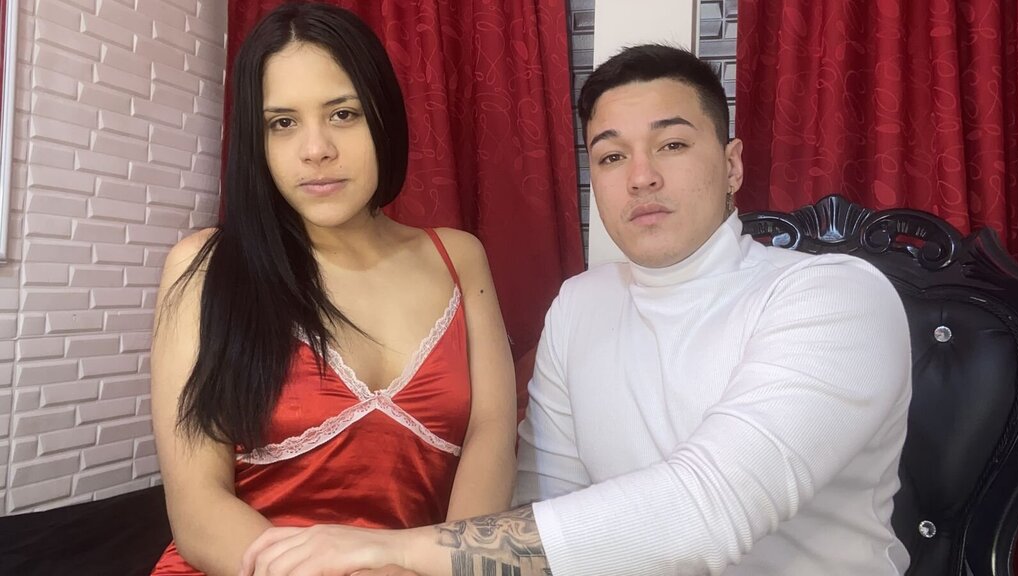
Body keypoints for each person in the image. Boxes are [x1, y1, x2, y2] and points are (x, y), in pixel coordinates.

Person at [237, 44, 913, 576]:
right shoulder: (581, 304)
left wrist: (397, 550)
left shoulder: (837, 298)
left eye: (673, 145)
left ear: (732, 165)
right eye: (611, 156)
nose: (641, 176)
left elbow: (706, 513)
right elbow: (543, 500)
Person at [148, 4, 517, 576]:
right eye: (282, 123)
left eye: (343, 114)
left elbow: (490, 436)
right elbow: (198, 512)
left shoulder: (459, 258)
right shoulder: (205, 267)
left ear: (382, 115)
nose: (315, 149)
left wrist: (450, 567)